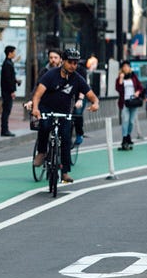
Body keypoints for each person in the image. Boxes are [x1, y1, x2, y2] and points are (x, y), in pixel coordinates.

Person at [31, 48, 100, 183]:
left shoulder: (77, 79)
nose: (73, 66)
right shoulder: (51, 75)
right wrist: (35, 108)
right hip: (46, 108)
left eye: (75, 63)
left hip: (64, 111)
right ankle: (41, 152)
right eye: (70, 62)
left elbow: (92, 96)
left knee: (66, 138)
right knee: (44, 126)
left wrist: (95, 103)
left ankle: (65, 172)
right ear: (63, 61)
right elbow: (38, 94)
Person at [115, 60, 144, 150]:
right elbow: (118, 89)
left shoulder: (133, 76)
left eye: (127, 66)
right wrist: (121, 80)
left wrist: (137, 92)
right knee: (125, 120)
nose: (125, 68)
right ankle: (124, 139)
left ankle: (128, 135)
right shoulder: (120, 77)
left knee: (131, 121)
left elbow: (140, 87)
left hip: (133, 102)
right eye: (124, 66)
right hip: (124, 102)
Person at [0, 45, 19, 137]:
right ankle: (4, 129)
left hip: (6, 91)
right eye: (14, 52)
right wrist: (12, 91)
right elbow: (8, 79)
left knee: (6, 110)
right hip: (7, 92)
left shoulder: (8, 63)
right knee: (6, 111)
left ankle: (5, 129)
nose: (15, 54)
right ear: (10, 53)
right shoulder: (7, 64)